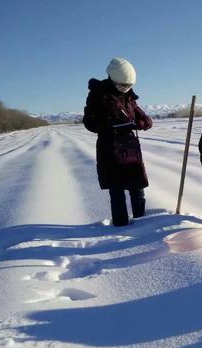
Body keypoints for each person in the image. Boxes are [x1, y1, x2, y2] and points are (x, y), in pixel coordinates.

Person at [83, 57, 153, 227]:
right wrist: (113, 127)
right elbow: (90, 122)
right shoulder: (98, 95)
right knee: (117, 189)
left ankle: (143, 225)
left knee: (137, 188)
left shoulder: (128, 96)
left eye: (128, 86)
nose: (125, 89)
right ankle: (120, 228)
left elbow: (141, 116)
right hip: (109, 149)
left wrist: (144, 122)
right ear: (112, 78)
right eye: (122, 86)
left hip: (129, 149)